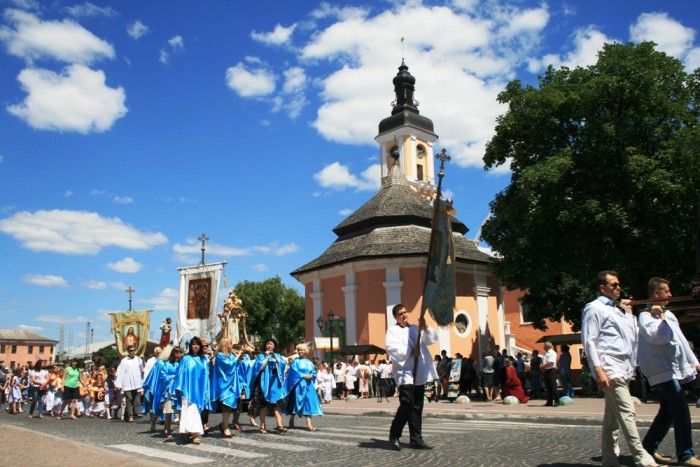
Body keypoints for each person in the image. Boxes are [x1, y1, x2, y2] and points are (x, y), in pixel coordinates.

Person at [581, 270, 658, 467]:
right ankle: (643, 459)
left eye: (618, 284)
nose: (618, 288)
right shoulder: (594, 308)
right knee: (627, 411)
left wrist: (630, 314)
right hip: (609, 367)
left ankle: (609, 459)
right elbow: (589, 341)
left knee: (612, 419)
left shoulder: (618, 311)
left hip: (624, 368)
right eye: (614, 285)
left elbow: (632, 337)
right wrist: (598, 369)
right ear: (602, 287)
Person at [638, 277, 700, 466]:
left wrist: (694, 362)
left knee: (667, 412)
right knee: (680, 409)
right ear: (657, 294)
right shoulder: (646, 316)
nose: (670, 294)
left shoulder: (669, 315)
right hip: (662, 370)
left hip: (673, 368)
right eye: (667, 291)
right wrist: (661, 317)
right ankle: (685, 454)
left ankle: (648, 448)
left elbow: (680, 340)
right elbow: (660, 338)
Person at [385, 303, 438, 451]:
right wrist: (409, 351)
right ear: (396, 317)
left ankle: (416, 439)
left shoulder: (415, 328)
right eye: (401, 313)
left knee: (417, 407)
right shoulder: (393, 331)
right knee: (407, 404)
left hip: (418, 373)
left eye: (405, 312)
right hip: (405, 373)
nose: (404, 315)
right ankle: (394, 434)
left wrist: (425, 327)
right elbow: (391, 348)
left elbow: (430, 340)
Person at [172, 336, 211, 445]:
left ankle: (188, 433)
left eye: (198, 344)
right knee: (188, 410)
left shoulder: (203, 359)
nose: (196, 346)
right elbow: (180, 373)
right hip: (187, 389)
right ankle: (193, 434)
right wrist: (179, 387)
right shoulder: (185, 358)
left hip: (198, 389)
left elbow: (206, 374)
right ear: (190, 345)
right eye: (194, 344)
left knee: (195, 411)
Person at [251, 339, 287, 434]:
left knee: (277, 405)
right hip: (264, 384)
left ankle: (280, 425)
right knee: (263, 405)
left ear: (274, 346)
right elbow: (259, 368)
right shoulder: (261, 356)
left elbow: (283, 365)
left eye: (271, 344)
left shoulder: (278, 355)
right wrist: (267, 357)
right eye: (267, 344)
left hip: (275, 385)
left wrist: (275, 357)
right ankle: (262, 425)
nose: (269, 346)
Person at [284, 343, 323, 431]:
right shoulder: (295, 361)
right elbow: (293, 372)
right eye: (299, 350)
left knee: (309, 402)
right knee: (294, 402)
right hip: (297, 385)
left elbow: (313, 371)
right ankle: (291, 420)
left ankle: (308, 423)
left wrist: (312, 375)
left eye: (302, 350)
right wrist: (303, 375)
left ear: (306, 351)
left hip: (308, 386)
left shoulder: (309, 362)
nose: (300, 351)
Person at [210, 337, 242, 438]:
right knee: (226, 406)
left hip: (232, 384)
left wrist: (237, 357)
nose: (231, 345)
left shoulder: (231, 355)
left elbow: (236, 366)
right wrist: (237, 357)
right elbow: (228, 365)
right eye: (230, 343)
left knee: (230, 407)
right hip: (224, 384)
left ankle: (224, 425)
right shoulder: (219, 355)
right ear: (225, 344)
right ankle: (225, 427)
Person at [115, 345, 144, 423]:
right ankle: (130, 416)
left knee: (134, 399)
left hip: (136, 383)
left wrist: (142, 385)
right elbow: (120, 373)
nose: (133, 352)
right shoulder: (124, 361)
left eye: (134, 350)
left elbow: (142, 370)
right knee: (129, 399)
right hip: (127, 383)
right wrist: (119, 384)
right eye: (131, 350)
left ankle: (127, 415)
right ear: (128, 351)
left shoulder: (138, 359)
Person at [540, 341, 558, 406]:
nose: (543, 347)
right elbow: (544, 361)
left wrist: (542, 366)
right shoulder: (545, 353)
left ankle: (556, 401)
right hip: (546, 371)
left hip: (551, 371)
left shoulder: (552, 353)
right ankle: (549, 401)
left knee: (553, 387)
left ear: (547, 346)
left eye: (544, 346)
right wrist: (542, 367)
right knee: (548, 387)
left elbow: (550, 362)